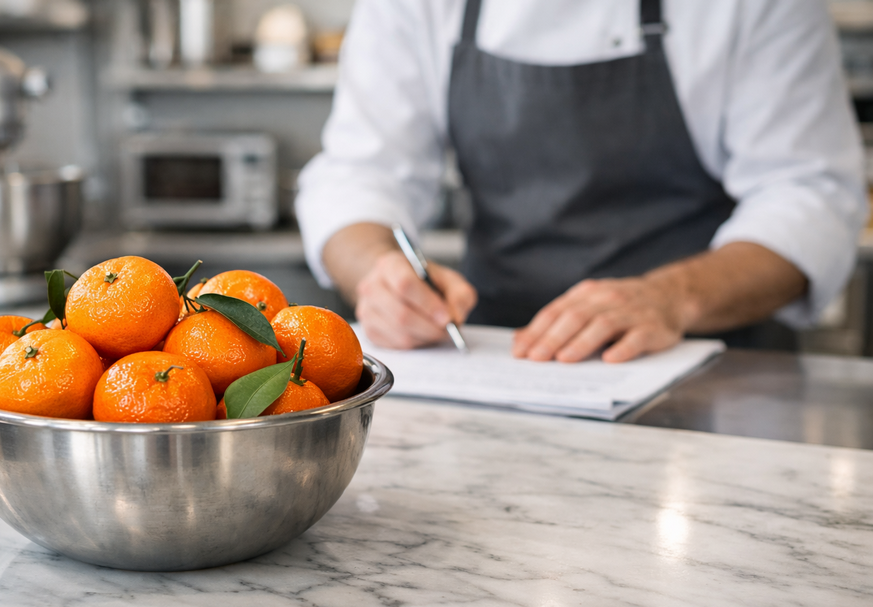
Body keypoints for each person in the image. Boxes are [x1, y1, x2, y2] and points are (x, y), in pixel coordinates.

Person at [295, 0, 868, 363]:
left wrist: (671, 298)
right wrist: (377, 272)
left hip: (712, 369)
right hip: (500, 362)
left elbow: (810, 195)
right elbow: (358, 172)